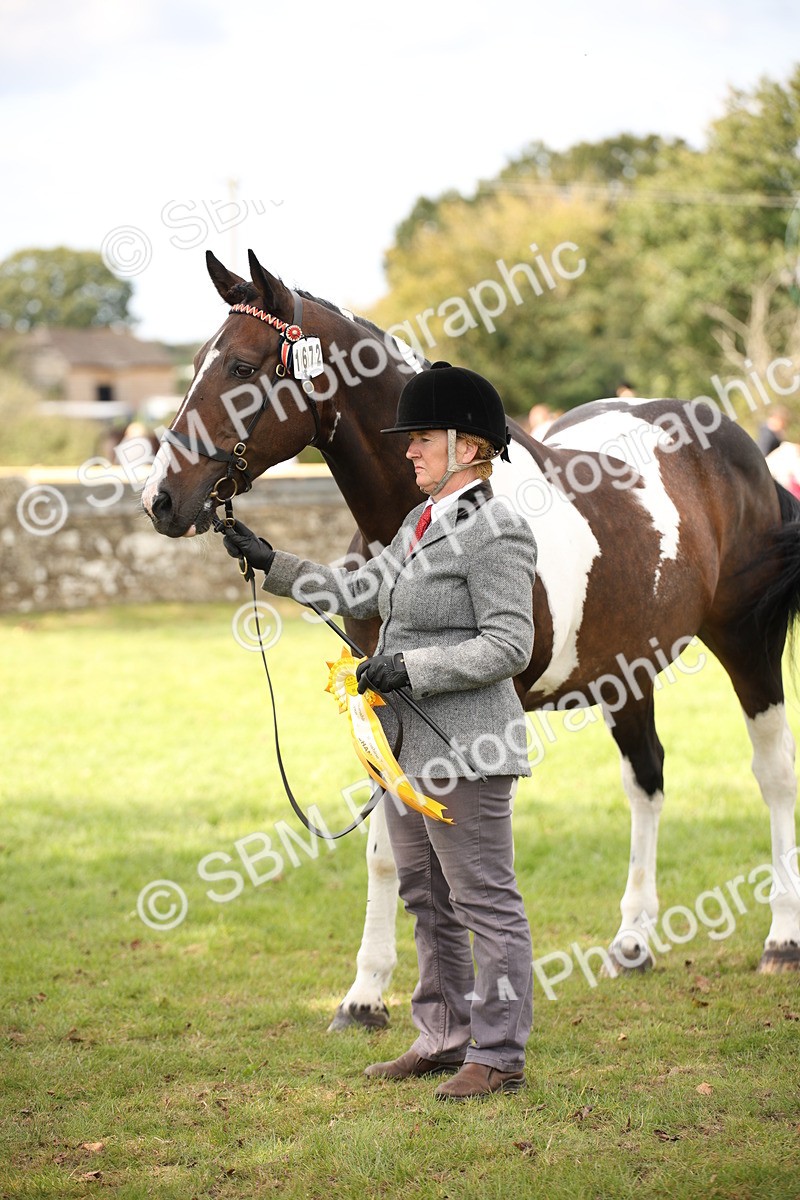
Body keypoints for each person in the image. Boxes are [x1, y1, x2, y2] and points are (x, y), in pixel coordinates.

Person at [221, 361, 538, 1101]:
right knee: (426, 898)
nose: (408, 451)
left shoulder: (499, 531)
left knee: (483, 901)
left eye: (422, 438)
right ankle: (443, 1035)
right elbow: (365, 589)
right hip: (404, 751)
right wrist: (278, 565)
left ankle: (498, 1055)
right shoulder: (417, 521)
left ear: (469, 446)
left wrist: (411, 668)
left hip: (469, 748)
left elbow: (509, 646)